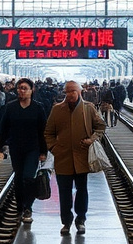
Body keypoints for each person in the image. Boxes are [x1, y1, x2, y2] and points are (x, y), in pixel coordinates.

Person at [44, 80, 106, 236]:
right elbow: (48, 132)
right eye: (67, 91)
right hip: (62, 158)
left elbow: (101, 126)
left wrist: (92, 139)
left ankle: (81, 219)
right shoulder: (57, 110)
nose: (69, 94)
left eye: (72, 91)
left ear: (79, 92)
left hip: (82, 157)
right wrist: (54, 148)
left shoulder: (88, 108)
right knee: (64, 192)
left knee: (82, 190)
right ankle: (66, 221)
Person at [0, 78, 48, 224]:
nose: (21, 91)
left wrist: (44, 151)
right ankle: (20, 206)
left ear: (32, 90)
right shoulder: (11, 107)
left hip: (33, 148)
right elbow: (4, 127)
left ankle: (28, 207)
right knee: (18, 178)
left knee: (28, 177)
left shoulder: (38, 108)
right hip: (16, 148)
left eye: (25, 88)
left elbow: (42, 130)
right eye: (19, 88)